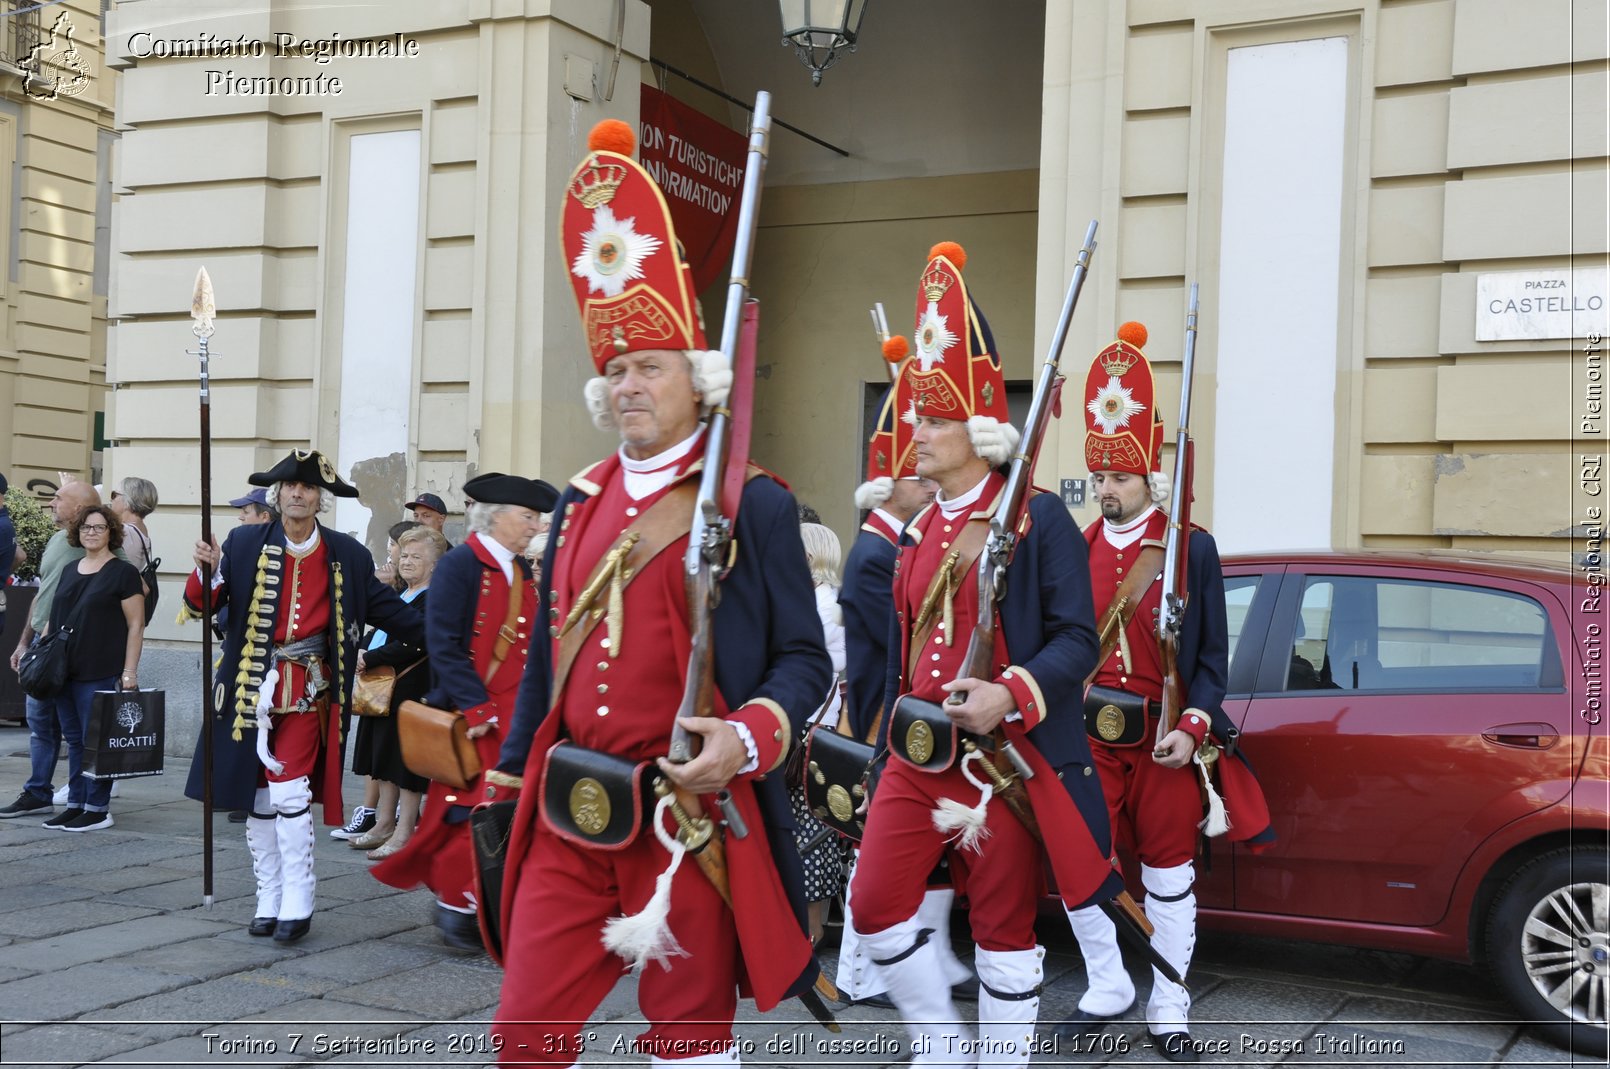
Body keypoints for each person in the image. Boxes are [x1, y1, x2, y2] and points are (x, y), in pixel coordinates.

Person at [485, 119, 832, 1066]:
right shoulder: (581, 498)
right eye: (617, 370)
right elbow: (549, 662)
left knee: (685, 1046)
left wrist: (747, 735)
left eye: (650, 366)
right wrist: (508, 773)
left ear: (698, 377)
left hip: (691, 817)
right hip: (572, 809)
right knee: (525, 1034)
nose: (629, 385)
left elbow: (807, 661)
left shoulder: (752, 502)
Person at [847, 242, 1121, 1067]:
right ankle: (939, 1040)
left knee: (1003, 926)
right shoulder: (920, 528)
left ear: (979, 426)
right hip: (917, 750)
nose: (912, 434)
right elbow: (902, 651)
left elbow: (1081, 640)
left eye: (930, 419)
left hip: (1006, 758)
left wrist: (1013, 691)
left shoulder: (1041, 520)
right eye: (912, 418)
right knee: (871, 907)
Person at [1058, 322, 1274, 1063]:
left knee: (1169, 878)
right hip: (1090, 738)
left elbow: (1212, 658)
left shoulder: (1192, 548)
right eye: (1101, 479)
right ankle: (1107, 981)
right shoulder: (1077, 549)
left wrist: (1193, 720)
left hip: (1164, 740)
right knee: (1081, 863)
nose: (1108, 490)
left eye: (1120, 478)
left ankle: (1169, 1002)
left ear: (1149, 475)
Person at [180, 449, 424, 943]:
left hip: (309, 691)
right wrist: (206, 570)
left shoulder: (348, 555)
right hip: (249, 690)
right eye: (290, 485)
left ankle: (299, 896)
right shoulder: (243, 542)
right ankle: (268, 896)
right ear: (278, 494)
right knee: (257, 798)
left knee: (290, 792)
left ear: (320, 498)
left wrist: (458, 633)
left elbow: (398, 615)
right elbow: (201, 604)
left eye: (308, 487)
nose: (298, 493)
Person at [371, 472, 556, 949]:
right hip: (480, 718)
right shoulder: (463, 566)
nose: (536, 526)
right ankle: (458, 904)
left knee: (500, 810)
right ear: (496, 518)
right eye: (528, 516)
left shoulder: (517, 569)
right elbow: (445, 644)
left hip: (518, 716)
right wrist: (476, 709)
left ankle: (481, 898)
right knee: (468, 811)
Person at [834, 390, 970, 1007]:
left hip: (907, 719)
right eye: (912, 478)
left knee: (927, 853)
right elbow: (895, 645)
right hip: (876, 715)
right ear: (891, 489)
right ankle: (859, 975)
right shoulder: (873, 552)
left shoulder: (899, 542)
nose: (924, 482)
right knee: (870, 848)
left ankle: (932, 954)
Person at [1, 481, 115, 819]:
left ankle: (86, 802)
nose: (52, 503)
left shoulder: (101, 547)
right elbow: (42, 594)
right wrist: (25, 642)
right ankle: (38, 791)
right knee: (39, 722)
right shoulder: (55, 541)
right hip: (43, 645)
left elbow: (129, 587)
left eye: (59, 498)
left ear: (79, 508)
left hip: (76, 652)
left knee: (78, 731)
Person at [40, 504, 145, 831]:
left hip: (100, 668)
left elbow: (136, 625)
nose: (91, 532)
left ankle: (98, 808)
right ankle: (77, 802)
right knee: (74, 739)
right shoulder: (72, 568)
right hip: (64, 671)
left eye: (99, 527)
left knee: (97, 740)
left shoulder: (123, 572)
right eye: (86, 527)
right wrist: (37, 655)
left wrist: (129, 672)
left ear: (111, 532)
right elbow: (55, 621)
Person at [350, 526, 449, 860]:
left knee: (406, 765)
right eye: (404, 555)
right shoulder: (401, 593)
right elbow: (379, 631)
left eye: (416, 557)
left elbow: (414, 642)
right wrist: (362, 651)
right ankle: (383, 824)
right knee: (383, 760)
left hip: (411, 688)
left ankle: (405, 831)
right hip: (384, 688)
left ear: (435, 565)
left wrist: (370, 658)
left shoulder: (435, 596)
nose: (406, 562)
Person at [793, 521, 848, 945]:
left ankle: (808, 936)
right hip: (814, 728)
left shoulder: (822, 608)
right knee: (809, 834)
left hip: (808, 730)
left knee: (810, 836)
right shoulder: (821, 603)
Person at [109, 476, 159, 573]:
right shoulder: (140, 528)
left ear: (128, 501)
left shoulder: (125, 531)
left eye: (114, 495)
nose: (111, 500)